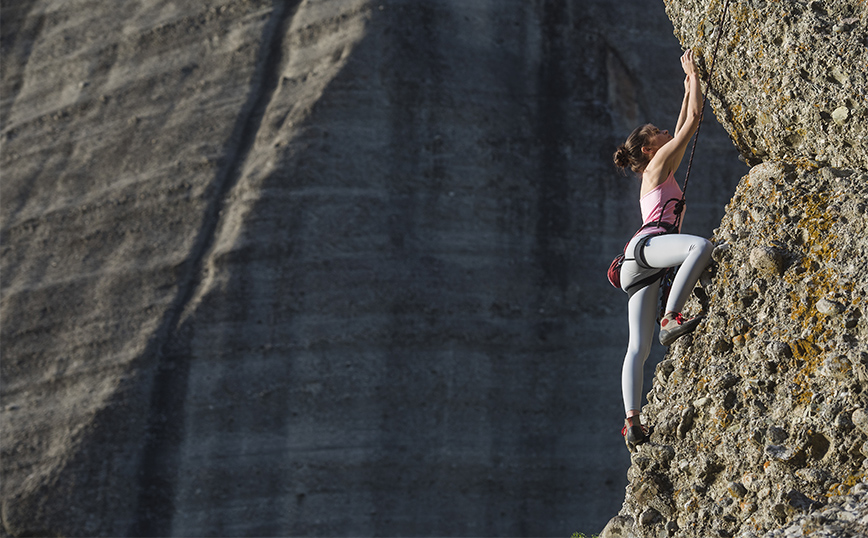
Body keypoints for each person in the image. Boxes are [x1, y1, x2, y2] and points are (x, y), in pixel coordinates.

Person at [612, 49, 713, 448]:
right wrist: (691, 76)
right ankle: (672, 315)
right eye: (654, 131)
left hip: (637, 264)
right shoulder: (657, 167)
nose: (661, 130)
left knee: (639, 346)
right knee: (700, 247)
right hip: (649, 246)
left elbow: (687, 118)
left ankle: (631, 421)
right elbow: (689, 124)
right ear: (647, 149)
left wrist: (691, 83)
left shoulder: (659, 164)